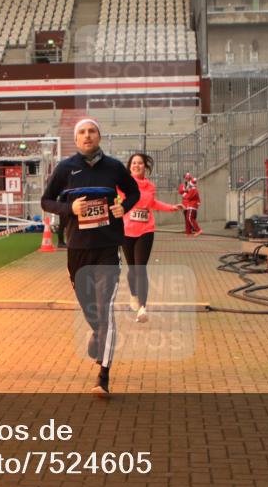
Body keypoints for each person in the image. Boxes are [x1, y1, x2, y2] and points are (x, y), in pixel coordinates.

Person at [41, 118, 139, 396]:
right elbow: (46, 201)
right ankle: (97, 332)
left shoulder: (114, 167)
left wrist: (125, 207)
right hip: (77, 249)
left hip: (108, 246)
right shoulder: (65, 168)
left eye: (92, 131)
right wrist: (69, 208)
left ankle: (103, 375)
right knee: (89, 307)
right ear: (76, 139)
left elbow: (133, 191)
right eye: (82, 132)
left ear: (99, 136)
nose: (87, 136)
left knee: (105, 308)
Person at [120, 153, 183, 323]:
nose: (137, 166)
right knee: (132, 270)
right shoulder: (123, 185)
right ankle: (133, 294)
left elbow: (152, 204)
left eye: (140, 163)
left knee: (140, 268)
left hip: (146, 230)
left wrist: (171, 208)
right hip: (126, 231)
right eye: (134, 163)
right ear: (129, 166)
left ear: (145, 167)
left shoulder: (150, 186)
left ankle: (142, 308)